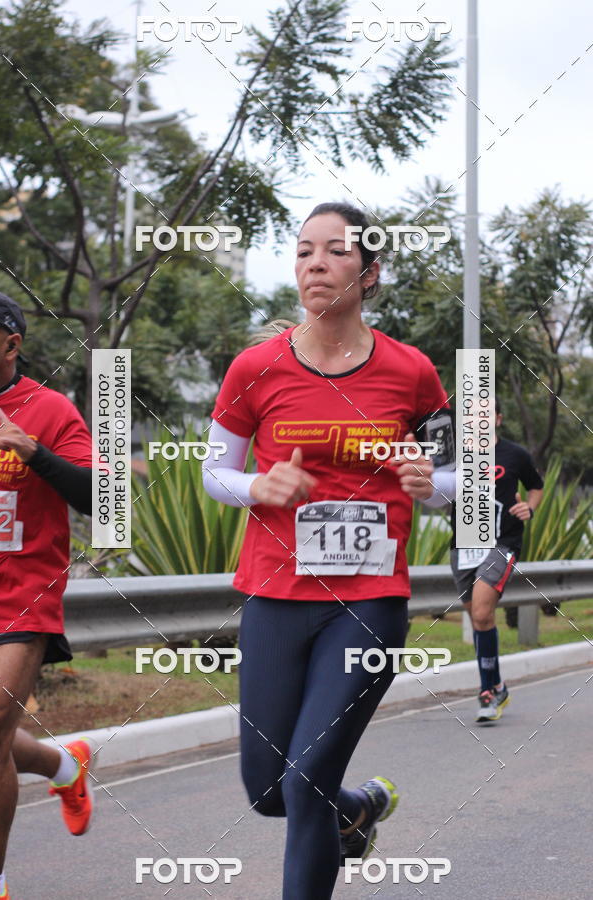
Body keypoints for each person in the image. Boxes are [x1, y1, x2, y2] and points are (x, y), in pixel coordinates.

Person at [202, 203, 454, 900]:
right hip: (275, 595)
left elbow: (455, 477)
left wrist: (429, 481)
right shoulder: (255, 368)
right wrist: (259, 483)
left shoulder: (412, 373)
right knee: (268, 789)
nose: (315, 262)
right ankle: (358, 810)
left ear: (369, 272)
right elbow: (213, 472)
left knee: (305, 776)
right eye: (304, 250)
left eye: (335, 252)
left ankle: (334, 811)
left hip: (368, 601)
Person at [0, 291, 95, 900]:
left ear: (12, 342)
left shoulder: (49, 409)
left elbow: (100, 499)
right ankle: (65, 765)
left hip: (23, 594)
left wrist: (33, 453)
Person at [450, 399, 544, 723]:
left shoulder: (515, 455)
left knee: (481, 611)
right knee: (480, 620)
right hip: (463, 543)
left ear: (498, 419)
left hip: (502, 542)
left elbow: (536, 487)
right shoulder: (455, 456)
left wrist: (528, 508)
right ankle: (498, 685)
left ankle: (487, 691)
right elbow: (437, 491)